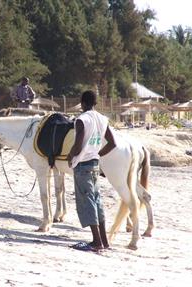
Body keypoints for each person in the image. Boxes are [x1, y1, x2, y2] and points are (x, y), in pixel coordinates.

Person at [67, 90, 116, 251]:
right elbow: (112, 143)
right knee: (97, 201)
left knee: (87, 201)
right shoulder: (103, 119)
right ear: (95, 103)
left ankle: (96, 241)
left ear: (83, 103)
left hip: (83, 166)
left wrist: (70, 155)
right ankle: (104, 240)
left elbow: (78, 144)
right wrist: (97, 153)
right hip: (95, 164)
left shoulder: (82, 120)